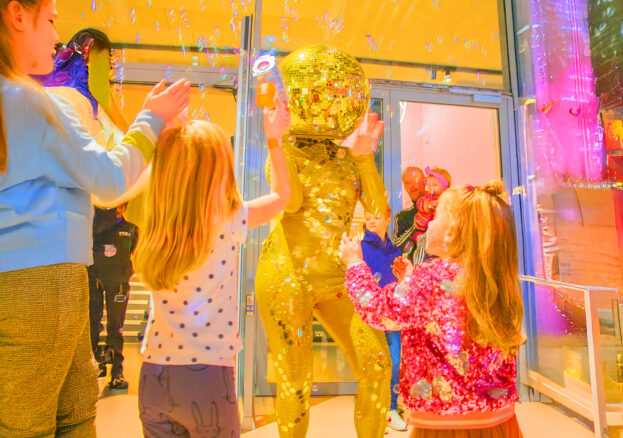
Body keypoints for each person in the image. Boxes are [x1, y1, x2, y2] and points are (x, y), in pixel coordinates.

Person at [0, 0, 190, 436]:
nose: (54, 37)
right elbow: (108, 180)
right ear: (17, 15)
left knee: (59, 407)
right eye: (49, 21)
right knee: (55, 418)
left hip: (26, 282)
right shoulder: (36, 102)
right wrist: (151, 121)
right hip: (42, 283)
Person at [133, 95, 290, 437]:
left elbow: (161, 172)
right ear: (219, 172)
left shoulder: (156, 223)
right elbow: (282, 196)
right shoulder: (229, 220)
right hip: (206, 377)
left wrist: (165, 132)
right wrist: (274, 137)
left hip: (152, 375)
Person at [255, 45, 391, 438]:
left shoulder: (349, 158)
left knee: (377, 364)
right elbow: (291, 201)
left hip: (337, 277)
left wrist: (365, 157)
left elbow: (379, 214)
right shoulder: (284, 152)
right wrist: (275, 142)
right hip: (287, 274)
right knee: (296, 379)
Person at [339, 181, 524, 438]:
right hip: (499, 420)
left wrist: (354, 264)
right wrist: (409, 280)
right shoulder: (491, 279)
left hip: (444, 425)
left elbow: (378, 309)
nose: (427, 223)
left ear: (453, 233)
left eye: (436, 216)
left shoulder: (431, 277)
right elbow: (446, 315)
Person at [360, 209, 407, 432]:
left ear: (388, 220)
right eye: (368, 216)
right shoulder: (360, 248)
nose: (371, 220)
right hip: (368, 317)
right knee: (372, 364)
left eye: (377, 216)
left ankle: (391, 408)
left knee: (395, 361)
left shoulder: (395, 251)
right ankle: (375, 411)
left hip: (392, 317)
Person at [88, 203, 138, 391]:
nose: (117, 209)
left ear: (125, 207)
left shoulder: (131, 229)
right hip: (95, 281)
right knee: (93, 323)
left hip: (118, 286)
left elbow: (134, 254)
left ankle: (117, 372)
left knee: (115, 326)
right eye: (113, 206)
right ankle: (94, 366)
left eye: (121, 206)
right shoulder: (95, 228)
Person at [393, 167, 426, 261]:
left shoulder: (441, 207)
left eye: (414, 180)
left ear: (425, 181)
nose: (410, 185)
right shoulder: (402, 216)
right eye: (406, 183)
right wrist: (415, 227)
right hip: (417, 272)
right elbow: (398, 246)